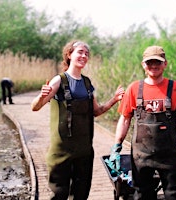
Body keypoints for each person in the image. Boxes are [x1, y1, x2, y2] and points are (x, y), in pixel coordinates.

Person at [31, 40, 124, 200]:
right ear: (69, 55)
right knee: (59, 193)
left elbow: (96, 111)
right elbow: (35, 107)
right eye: (80, 52)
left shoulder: (87, 84)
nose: (84, 56)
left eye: (86, 54)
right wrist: (42, 96)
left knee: (81, 193)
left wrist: (114, 100)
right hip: (61, 150)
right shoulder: (59, 80)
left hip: (84, 150)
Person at [106, 45, 176, 200]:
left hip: (170, 157)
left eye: (157, 62)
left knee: (174, 195)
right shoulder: (134, 89)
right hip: (141, 157)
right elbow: (125, 119)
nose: (153, 66)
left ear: (165, 64)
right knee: (142, 195)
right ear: (143, 65)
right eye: (149, 63)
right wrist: (116, 146)